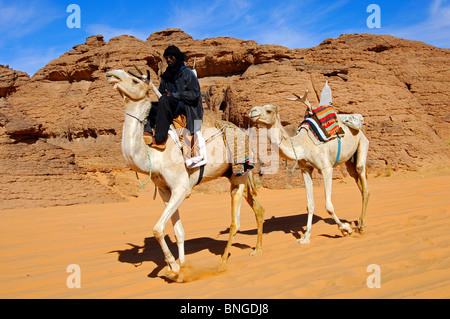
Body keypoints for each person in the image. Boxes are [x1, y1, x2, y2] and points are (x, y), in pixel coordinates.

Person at [143, 45, 203, 150]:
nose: (168, 60)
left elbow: (195, 94)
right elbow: (161, 93)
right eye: (166, 58)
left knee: (165, 100)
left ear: (177, 57)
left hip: (188, 106)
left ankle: (160, 139)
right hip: (171, 104)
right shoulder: (167, 76)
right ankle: (148, 132)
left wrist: (175, 95)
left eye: (171, 57)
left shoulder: (187, 73)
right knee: (149, 106)